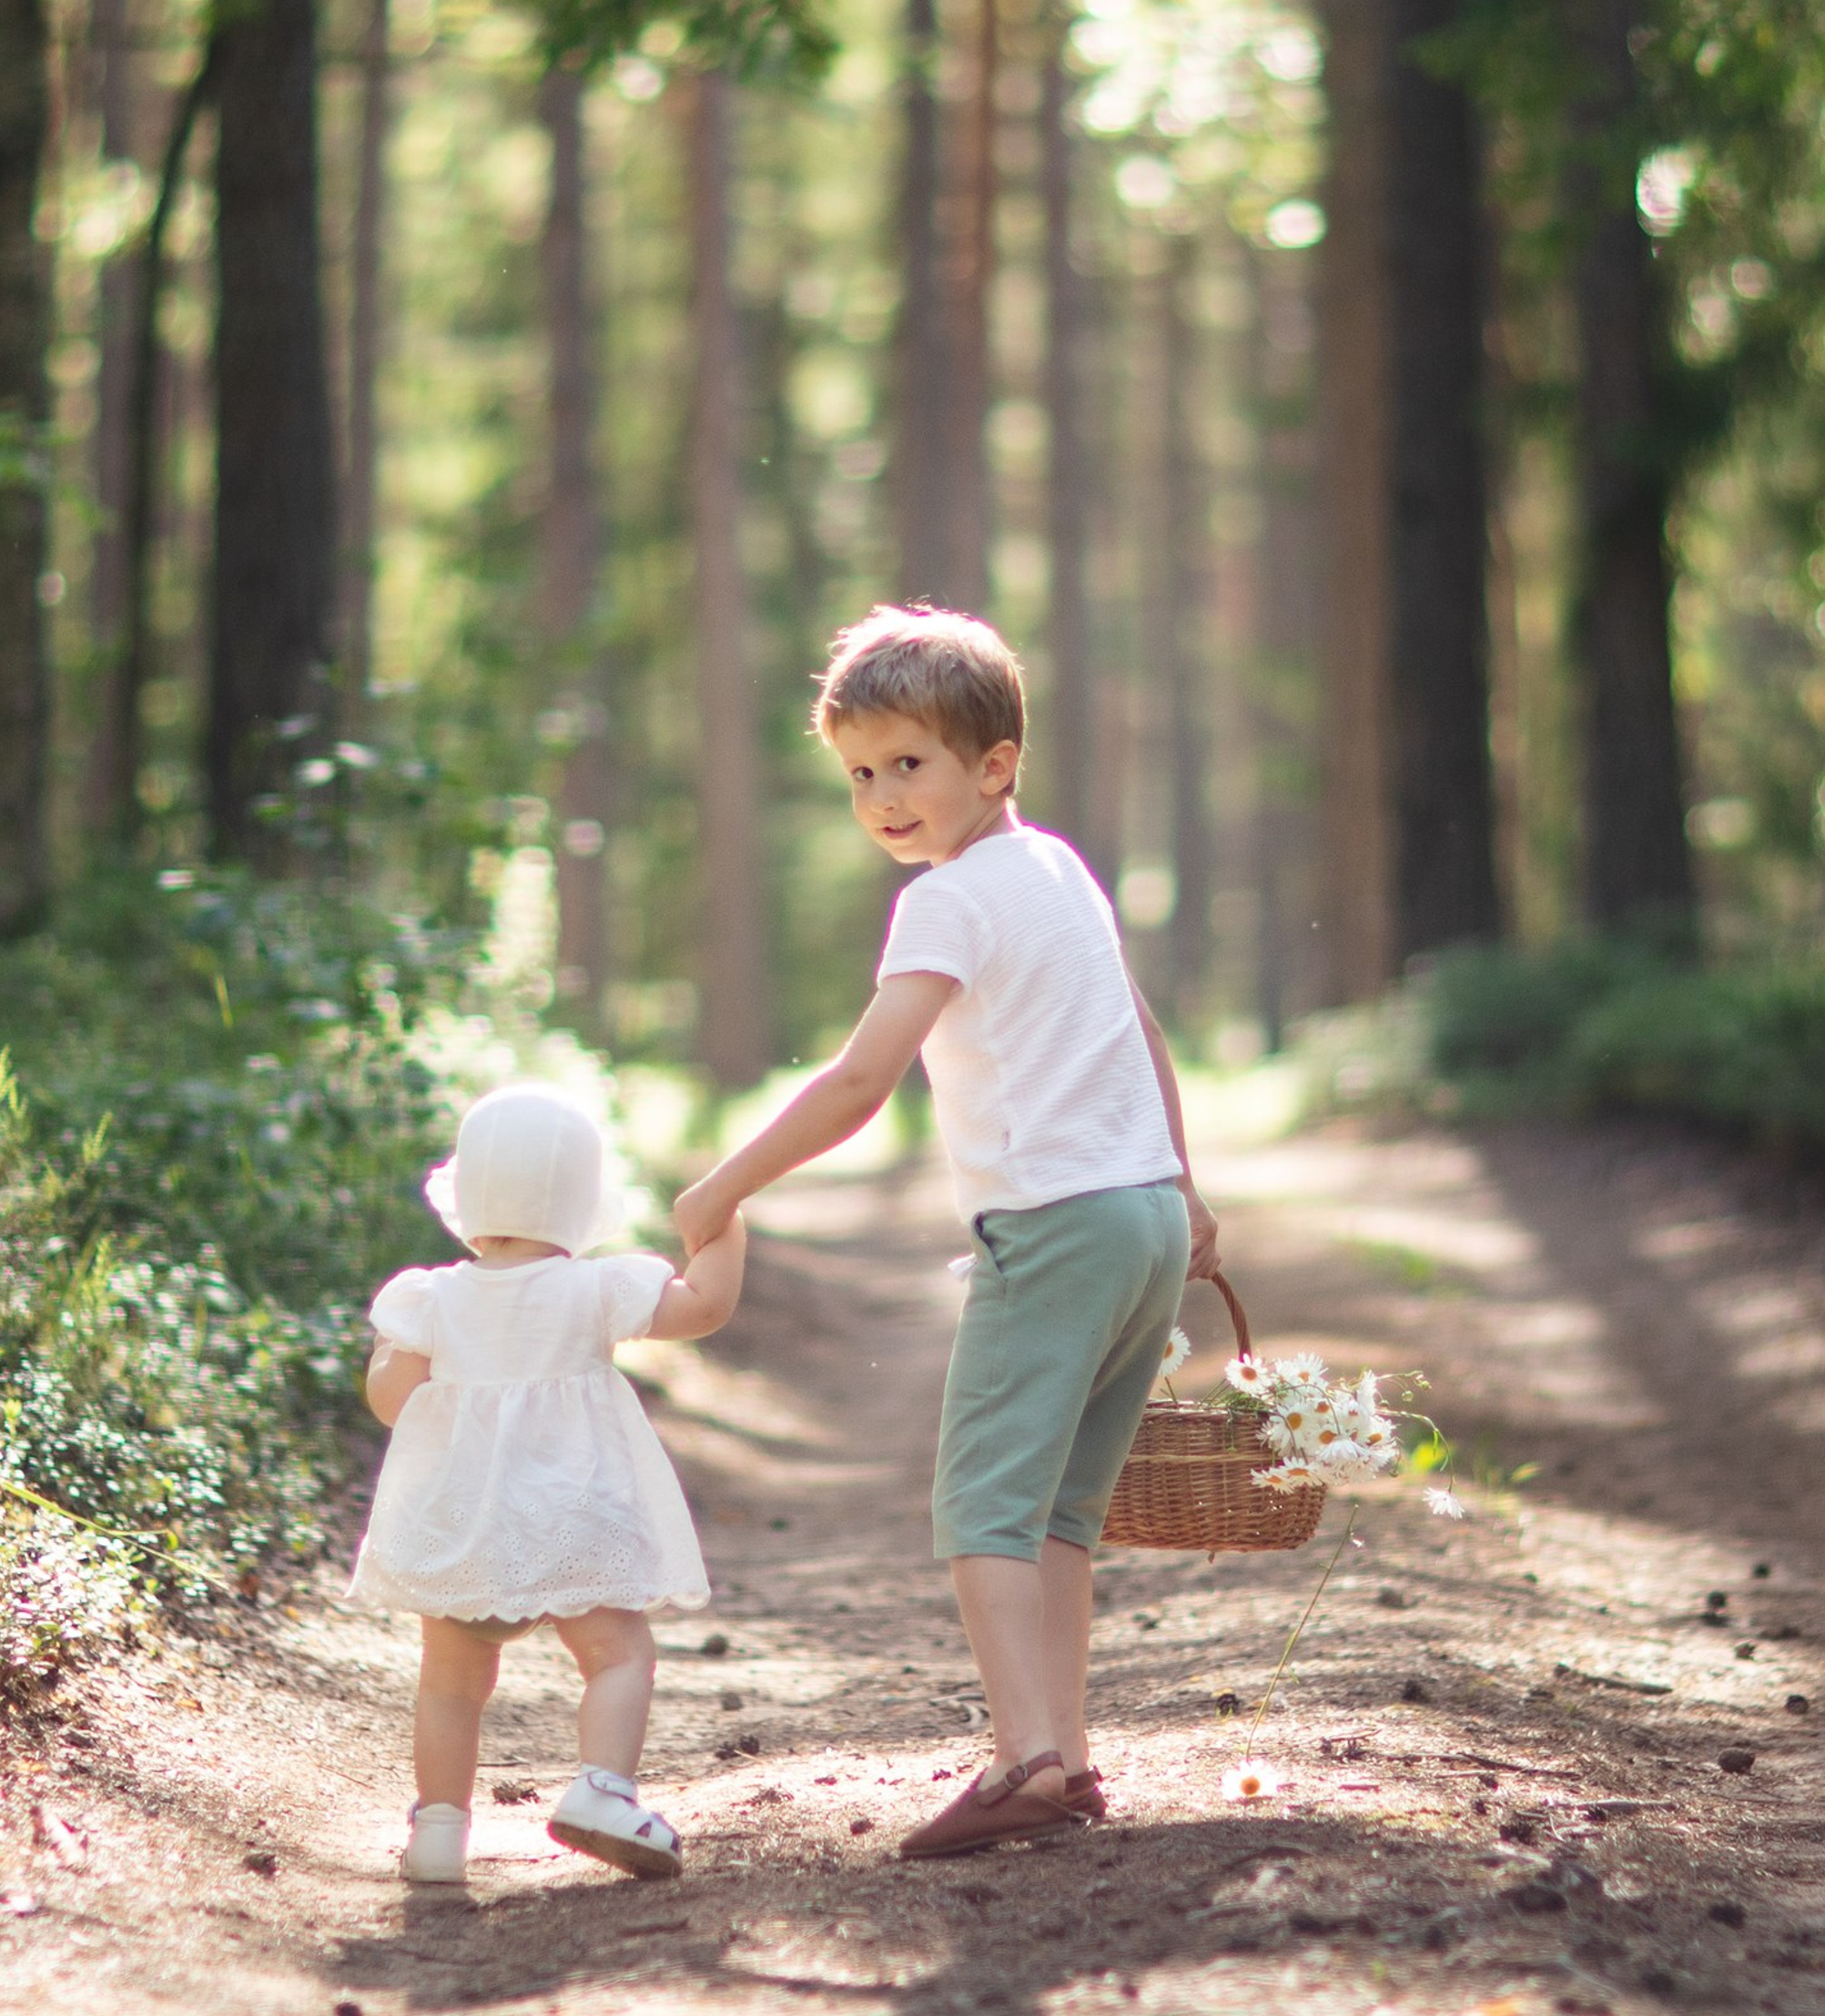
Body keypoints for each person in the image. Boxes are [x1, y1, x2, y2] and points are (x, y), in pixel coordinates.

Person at [675, 604, 1219, 1861]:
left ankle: (1024, 1758)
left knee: (983, 1504)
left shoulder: (947, 901)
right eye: (859, 774)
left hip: (1054, 1226)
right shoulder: (1060, 870)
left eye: (907, 764)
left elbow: (862, 1081)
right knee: (1060, 1513)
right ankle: (1065, 1756)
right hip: (1140, 1217)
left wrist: (722, 1188)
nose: (880, 798)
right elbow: (1138, 1027)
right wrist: (1184, 1189)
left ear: (995, 765)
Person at [355, 1079, 744, 1887]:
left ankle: (438, 1832)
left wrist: (395, 1352)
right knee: (617, 1656)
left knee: (451, 1684)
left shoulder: (431, 1297)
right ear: (582, 1202)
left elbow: (393, 1404)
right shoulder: (597, 1287)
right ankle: (602, 1791)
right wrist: (725, 1222)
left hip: (464, 1525)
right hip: (575, 1518)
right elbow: (705, 1307)